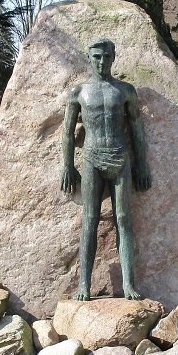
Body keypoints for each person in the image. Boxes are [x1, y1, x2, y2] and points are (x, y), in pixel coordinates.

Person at [61, 38, 151, 301]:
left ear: (113, 58)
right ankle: (84, 285)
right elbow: (67, 132)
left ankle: (128, 285)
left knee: (123, 219)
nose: (102, 62)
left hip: (120, 158)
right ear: (89, 58)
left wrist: (141, 164)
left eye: (106, 57)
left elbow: (136, 128)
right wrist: (67, 165)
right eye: (97, 57)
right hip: (91, 159)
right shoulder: (79, 92)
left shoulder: (125, 91)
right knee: (89, 220)